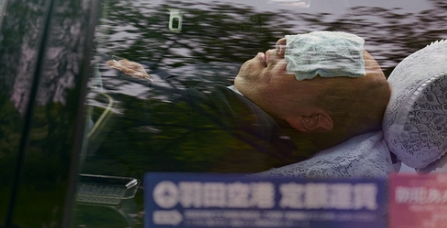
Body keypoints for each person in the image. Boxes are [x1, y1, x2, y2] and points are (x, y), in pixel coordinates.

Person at [89, 31, 393, 180]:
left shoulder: (222, 127)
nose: (284, 43)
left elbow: (82, 92)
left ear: (311, 118)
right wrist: (149, 80)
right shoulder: (253, 104)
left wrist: (129, 81)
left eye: (314, 62)